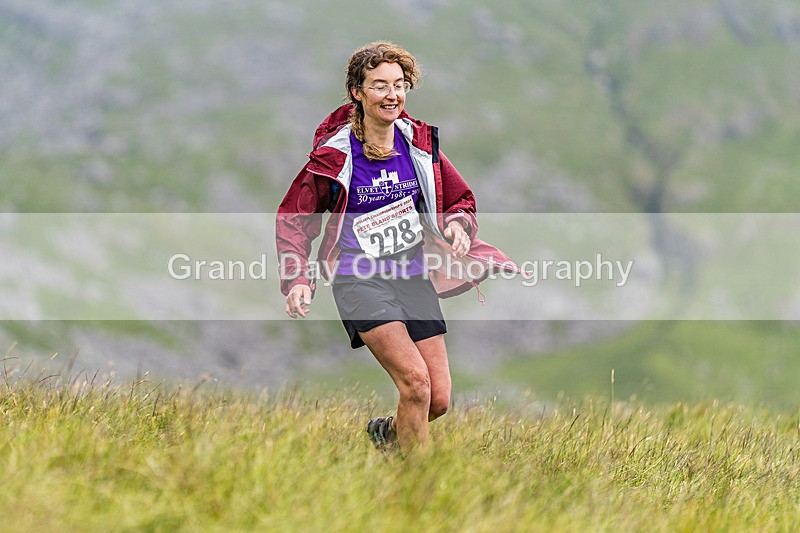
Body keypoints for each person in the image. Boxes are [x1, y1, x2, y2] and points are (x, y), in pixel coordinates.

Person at [276, 41, 518, 453]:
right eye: (380, 85)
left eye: (400, 85)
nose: (392, 95)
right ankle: (414, 490)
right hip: (360, 280)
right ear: (358, 91)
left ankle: (387, 433)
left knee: (436, 400)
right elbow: (294, 220)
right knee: (415, 384)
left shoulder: (418, 147)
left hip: (412, 278)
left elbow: (459, 199)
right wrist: (297, 277)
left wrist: (458, 226)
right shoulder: (334, 157)